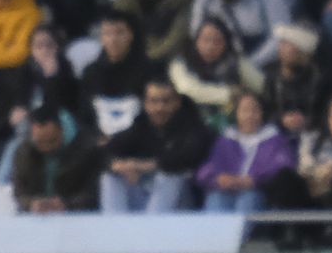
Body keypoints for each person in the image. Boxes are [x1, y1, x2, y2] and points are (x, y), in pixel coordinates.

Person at [99, 77, 215, 212]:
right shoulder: (141, 126)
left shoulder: (193, 127)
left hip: (183, 203)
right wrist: (117, 165)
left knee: (169, 176)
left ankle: (153, 228)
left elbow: (186, 157)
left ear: (177, 102)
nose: (160, 107)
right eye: (154, 101)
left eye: (166, 101)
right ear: (145, 104)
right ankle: (115, 225)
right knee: (110, 177)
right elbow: (106, 150)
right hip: (147, 195)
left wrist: (143, 166)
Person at [195, 91, 294, 212]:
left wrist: (254, 180)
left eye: (255, 110)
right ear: (236, 114)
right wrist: (218, 178)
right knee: (216, 200)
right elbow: (206, 169)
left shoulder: (275, 139)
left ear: (262, 113)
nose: (249, 116)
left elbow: (283, 167)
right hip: (224, 191)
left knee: (249, 200)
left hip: (257, 191)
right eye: (244, 111)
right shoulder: (226, 139)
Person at [170, 17, 265, 123]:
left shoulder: (235, 61)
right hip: (192, 123)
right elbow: (187, 89)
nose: (210, 46)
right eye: (206, 40)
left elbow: (261, 86)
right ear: (196, 41)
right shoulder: (180, 63)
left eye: (217, 41)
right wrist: (229, 93)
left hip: (231, 125)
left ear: (226, 43)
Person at [12, 103, 101, 212]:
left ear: (61, 131)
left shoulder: (86, 149)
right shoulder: (23, 152)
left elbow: (94, 192)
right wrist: (31, 203)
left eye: (52, 141)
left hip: (77, 218)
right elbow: (19, 191)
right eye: (39, 142)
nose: (46, 148)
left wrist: (67, 204)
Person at [264, 21, 329, 137]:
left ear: (301, 50)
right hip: (277, 137)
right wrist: (282, 120)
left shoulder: (320, 78)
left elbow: (327, 113)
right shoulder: (271, 75)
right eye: (281, 43)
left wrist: (308, 121)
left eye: (286, 44)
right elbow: (264, 110)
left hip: (312, 137)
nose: (280, 48)